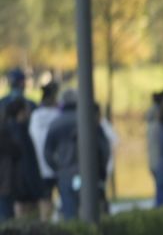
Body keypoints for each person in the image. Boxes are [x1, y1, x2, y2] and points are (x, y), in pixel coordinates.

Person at [42, 90, 111, 220]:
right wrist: (101, 170)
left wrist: (58, 169)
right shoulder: (89, 120)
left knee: (70, 214)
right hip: (89, 173)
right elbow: (103, 148)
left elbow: (47, 152)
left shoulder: (55, 123)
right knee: (92, 214)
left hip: (66, 174)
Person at [28, 83, 60, 221]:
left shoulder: (35, 116)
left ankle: (44, 223)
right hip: (57, 164)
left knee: (44, 199)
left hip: (38, 166)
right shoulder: (58, 116)